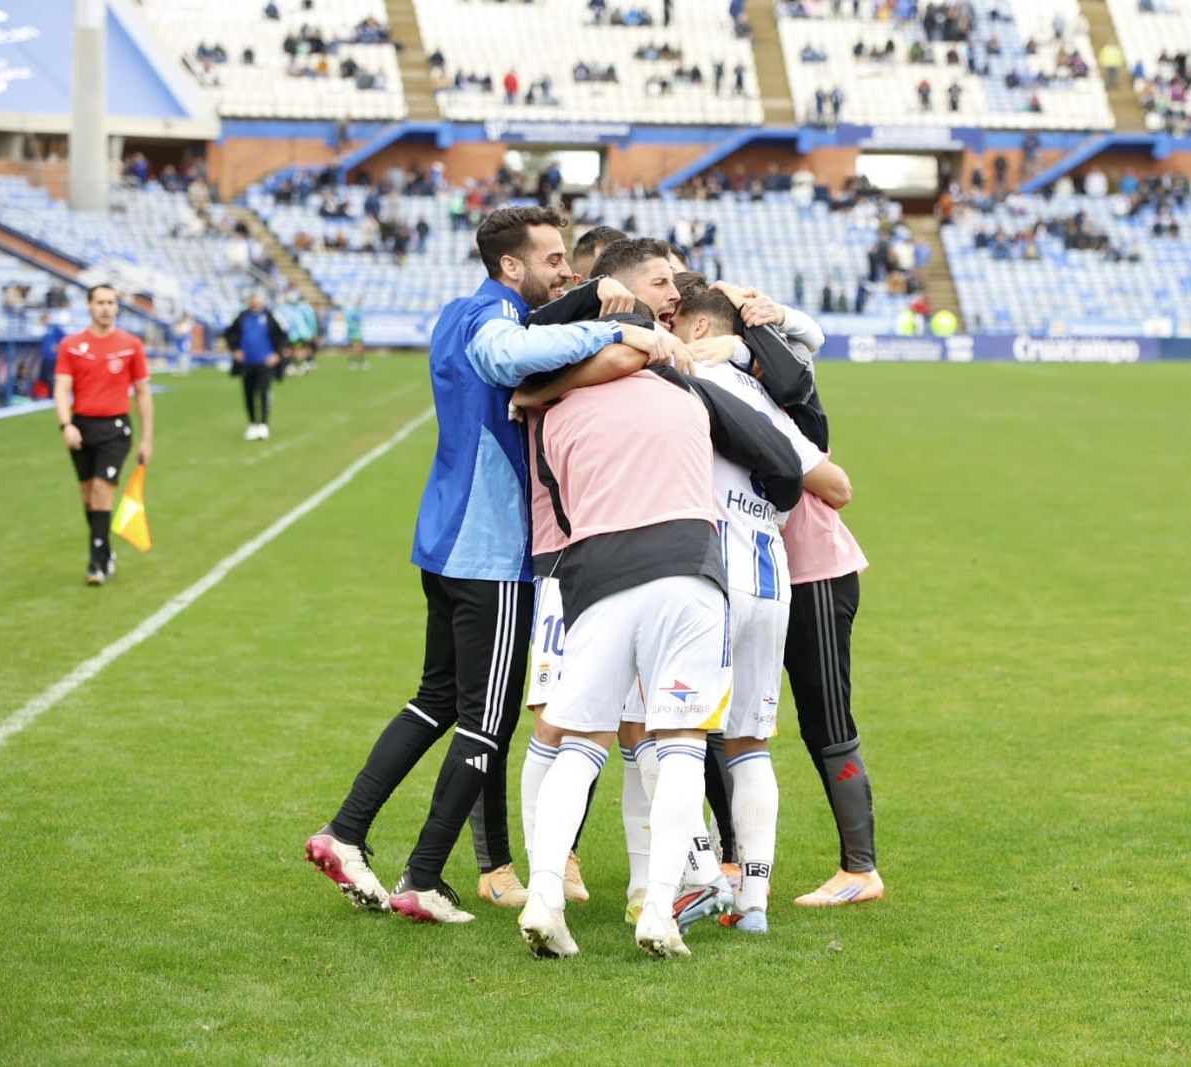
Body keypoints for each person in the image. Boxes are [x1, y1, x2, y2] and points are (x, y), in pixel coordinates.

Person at [303, 206, 674, 922]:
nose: (568, 269)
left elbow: (521, 337)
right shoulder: (492, 321)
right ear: (512, 266)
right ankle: (422, 876)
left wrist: (581, 302)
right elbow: (506, 355)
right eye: (554, 259)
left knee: (436, 698)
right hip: (493, 549)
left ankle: (346, 832)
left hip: (443, 540)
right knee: (489, 716)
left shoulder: (456, 311)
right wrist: (616, 328)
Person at [512, 312, 803, 959]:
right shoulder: (682, 388)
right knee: (680, 744)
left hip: (594, 574)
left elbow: (560, 510)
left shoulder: (550, 409)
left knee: (578, 742)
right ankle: (660, 907)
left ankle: (543, 895)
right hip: (686, 567)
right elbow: (782, 460)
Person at [669, 275, 854, 934]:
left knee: (674, 735)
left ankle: (697, 879)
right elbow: (835, 483)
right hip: (771, 579)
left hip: (708, 577)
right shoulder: (763, 394)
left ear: (694, 327)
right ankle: (753, 905)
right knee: (749, 746)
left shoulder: (682, 370)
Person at [53, 284, 154, 586]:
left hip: (115, 429)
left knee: (101, 491)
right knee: (88, 497)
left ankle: (96, 563)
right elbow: (61, 388)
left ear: (117, 307)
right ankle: (106, 550)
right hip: (82, 427)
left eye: (111, 302)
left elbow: (143, 393)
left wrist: (147, 438)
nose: (106, 308)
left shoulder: (130, 344)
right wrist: (66, 424)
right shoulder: (71, 345)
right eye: (100, 302)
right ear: (89, 306)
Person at [223, 291, 288, 441]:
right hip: (247, 362)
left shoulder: (270, 317)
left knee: (264, 392)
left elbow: (282, 336)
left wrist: (277, 354)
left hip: (265, 362)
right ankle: (252, 424)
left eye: (257, 299)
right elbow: (230, 333)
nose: (255, 302)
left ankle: (264, 424)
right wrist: (235, 350)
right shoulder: (242, 317)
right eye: (252, 299)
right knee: (248, 394)